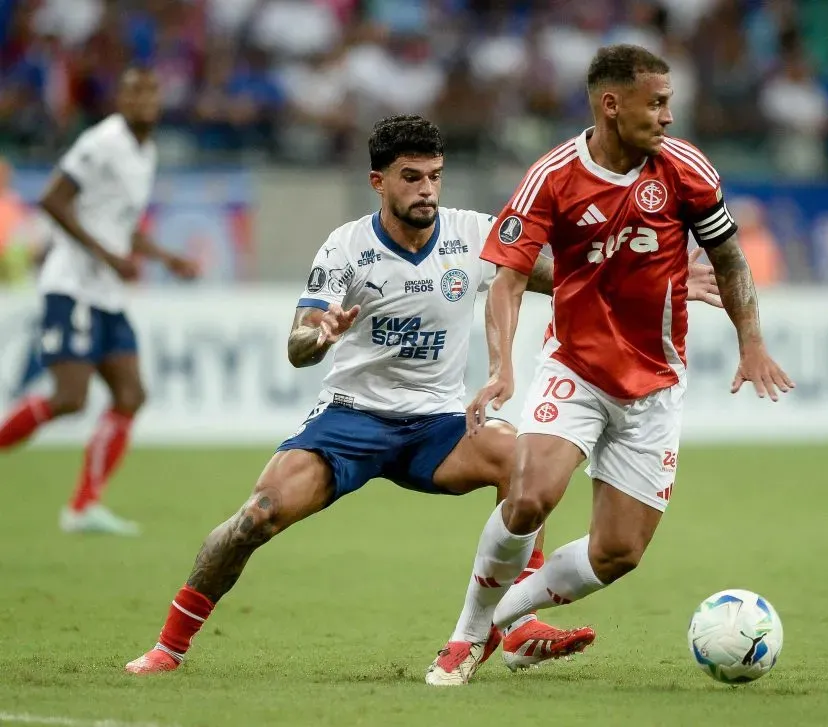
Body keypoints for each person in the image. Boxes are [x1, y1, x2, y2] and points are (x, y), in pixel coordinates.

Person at [123, 114, 723, 676]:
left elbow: (568, 276)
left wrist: (664, 280)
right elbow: (298, 344)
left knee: (527, 462)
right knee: (255, 518)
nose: (426, 190)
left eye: (434, 176)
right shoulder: (346, 247)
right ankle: (168, 647)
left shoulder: (472, 235)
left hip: (437, 425)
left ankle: (517, 624)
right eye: (411, 178)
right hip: (351, 422)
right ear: (378, 181)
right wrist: (320, 334)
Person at [424, 45, 794, 686]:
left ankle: (501, 621)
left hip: (656, 384)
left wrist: (750, 342)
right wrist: (503, 369)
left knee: (619, 552)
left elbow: (731, 260)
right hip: (576, 370)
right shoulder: (554, 176)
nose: (668, 117)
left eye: (670, 103)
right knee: (530, 495)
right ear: (611, 104)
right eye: (657, 103)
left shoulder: (687, 171)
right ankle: (466, 635)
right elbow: (508, 280)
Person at [0, 67, 199, 535]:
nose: (145, 100)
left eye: (152, 90)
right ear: (119, 100)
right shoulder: (101, 142)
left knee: (131, 394)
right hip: (72, 286)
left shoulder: (145, 151)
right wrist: (108, 256)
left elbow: (118, 223)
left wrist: (166, 258)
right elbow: (53, 199)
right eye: (134, 92)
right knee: (70, 397)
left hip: (106, 293)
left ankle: (82, 506)